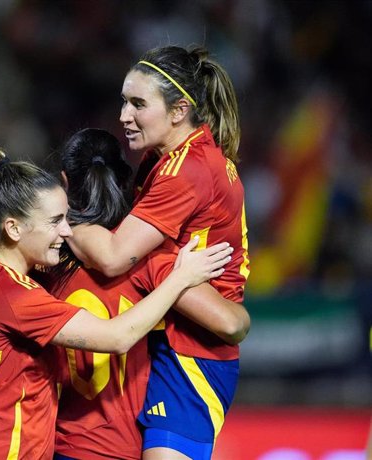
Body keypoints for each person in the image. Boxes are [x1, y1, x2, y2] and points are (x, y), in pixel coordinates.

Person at [0, 147, 233, 459]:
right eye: (55, 221)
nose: (67, 231)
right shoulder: (12, 294)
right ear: (14, 229)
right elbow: (116, 337)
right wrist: (180, 279)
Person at [65, 46, 250, 460]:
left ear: (179, 109)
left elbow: (114, 256)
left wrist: (60, 220)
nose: (123, 116)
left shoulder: (186, 171)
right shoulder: (164, 159)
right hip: (164, 340)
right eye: (123, 101)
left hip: (194, 356)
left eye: (138, 104)